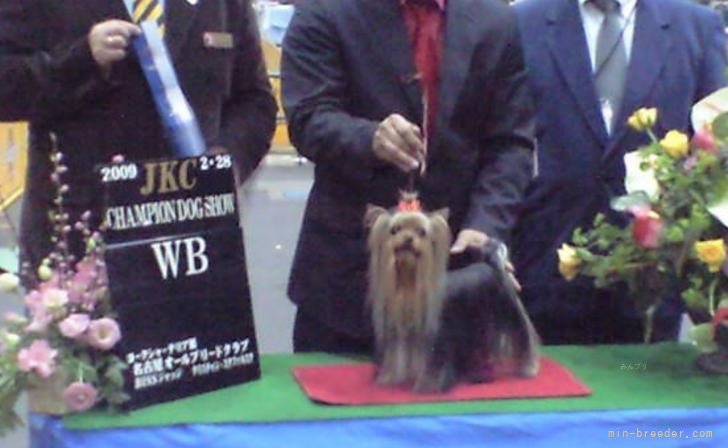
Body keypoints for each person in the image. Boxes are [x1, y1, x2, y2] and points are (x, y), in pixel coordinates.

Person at [282, 0, 535, 352]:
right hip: (345, 292)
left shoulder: (496, 19)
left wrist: (486, 224)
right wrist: (368, 138)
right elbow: (307, 117)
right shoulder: (324, 10)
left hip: (456, 292)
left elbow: (512, 143)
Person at [0, 0, 277, 278]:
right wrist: (82, 59)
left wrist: (225, 163)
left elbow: (255, 101)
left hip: (190, 237)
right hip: (80, 236)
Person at [512, 0, 727, 344]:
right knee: (557, 391)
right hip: (545, 272)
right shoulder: (520, 23)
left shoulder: (697, 27)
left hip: (654, 282)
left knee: (634, 376)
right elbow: (497, 142)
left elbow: (717, 152)